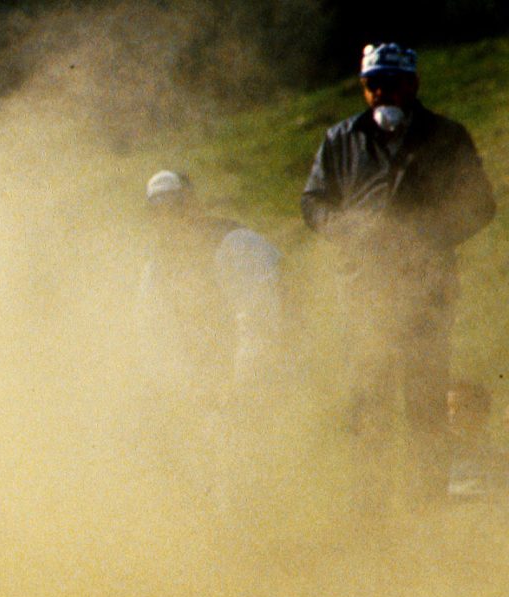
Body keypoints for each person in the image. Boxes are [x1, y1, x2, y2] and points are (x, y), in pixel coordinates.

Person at [302, 42, 495, 463]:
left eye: (392, 83)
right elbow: (313, 202)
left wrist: (426, 236)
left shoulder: (447, 137)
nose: (381, 93)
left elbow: (481, 204)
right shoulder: (341, 139)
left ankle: (427, 498)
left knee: (426, 407)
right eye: (372, 84)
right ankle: (370, 501)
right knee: (368, 407)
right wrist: (347, 229)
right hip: (363, 293)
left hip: (426, 292)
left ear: (413, 84)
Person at [135, 170, 282, 393]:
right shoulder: (157, 268)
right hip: (211, 382)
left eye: (175, 207)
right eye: (157, 212)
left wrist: (242, 386)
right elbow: (154, 333)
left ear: (194, 205)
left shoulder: (236, 244)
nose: (168, 219)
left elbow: (259, 321)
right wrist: (182, 390)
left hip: (270, 372)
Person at [446, 381, 503, 499]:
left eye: (460, 407)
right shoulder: (436, 456)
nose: (452, 414)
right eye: (448, 408)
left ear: (481, 414)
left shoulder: (497, 460)